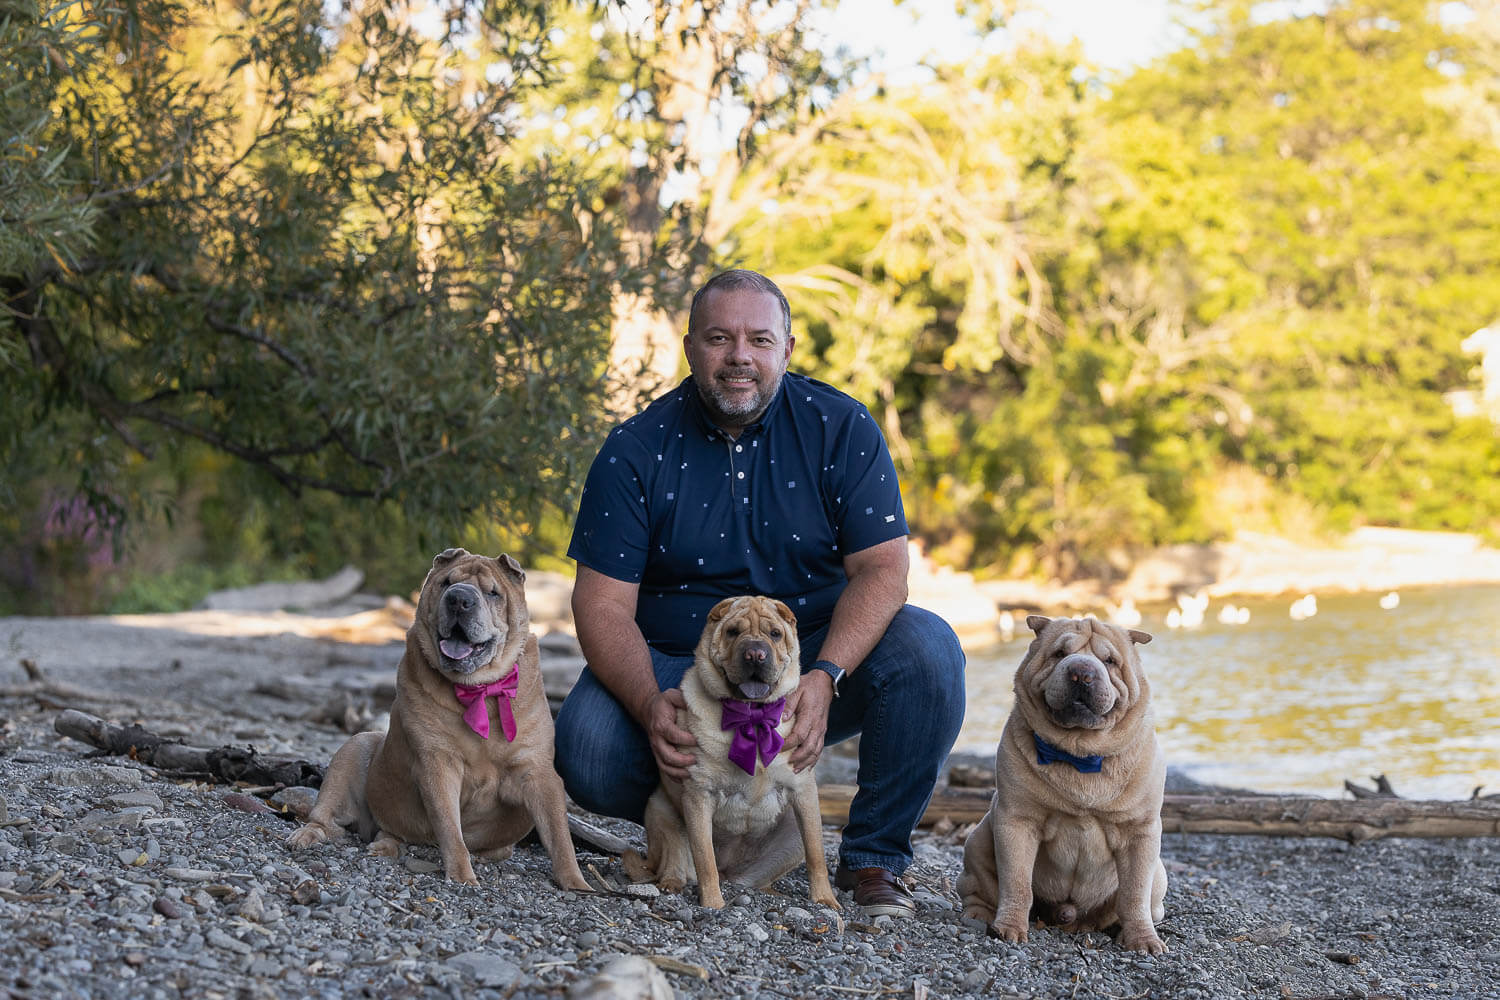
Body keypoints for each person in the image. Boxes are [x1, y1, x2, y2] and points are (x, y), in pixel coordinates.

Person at [555, 268, 966, 917]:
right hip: (678, 666)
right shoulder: (634, 449)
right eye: (719, 338)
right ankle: (702, 822)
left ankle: (874, 859)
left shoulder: (843, 428)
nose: (739, 356)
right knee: (587, 748)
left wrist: (826, 675)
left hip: (808, 661)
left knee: (931, 651)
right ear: (690, 348)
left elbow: (885, 571)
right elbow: (601, 605)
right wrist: (646, 704)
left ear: (788, 349)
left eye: (759, 339)